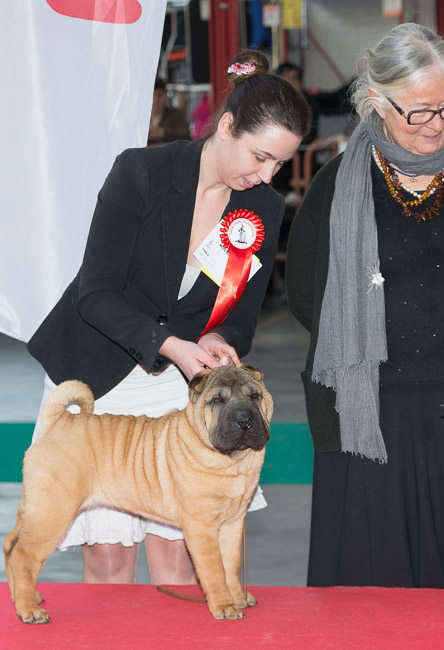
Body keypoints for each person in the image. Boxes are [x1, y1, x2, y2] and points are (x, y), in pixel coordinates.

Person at [26, 50, 310, 585]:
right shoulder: (140, 172)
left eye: (279, 163)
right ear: (226, 126)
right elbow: (95, 293)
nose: (267, 175)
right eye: (259, 156)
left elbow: (244, 315)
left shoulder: (265, 208)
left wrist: (221, 340)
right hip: (98, 364)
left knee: (179, 548)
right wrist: (174, 345)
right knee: (107, 552)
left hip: (179, 384)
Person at [286, 23, 444, 590]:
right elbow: (307, 292)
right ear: (376, 101)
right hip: (372, 413)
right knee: (377, 598)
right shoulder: (335, 185)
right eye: (418, 111)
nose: (438, 124)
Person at [147, 77, 190, 146]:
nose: (155, 100)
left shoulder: (175, 115)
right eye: (152, 95)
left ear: (165, 96)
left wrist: (163, 134)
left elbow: (186, 137)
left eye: (159, 96)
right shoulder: (141, 118)